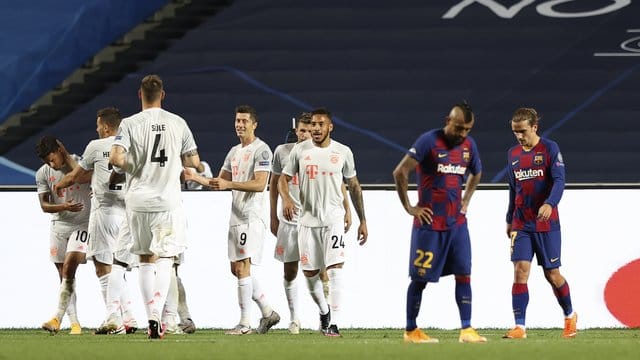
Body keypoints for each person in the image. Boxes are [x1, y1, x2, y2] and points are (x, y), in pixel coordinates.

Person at [109, 74, 204, 339]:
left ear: (139, 95)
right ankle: (156, 316)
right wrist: (191, 163)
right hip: (167, 202)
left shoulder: (129, 124)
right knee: (165, 258)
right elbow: (193, 160)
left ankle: (147, 313)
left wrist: (133, 165)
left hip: (138, 202)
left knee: (144, 259)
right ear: (163, 95)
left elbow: (117, 158)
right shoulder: (178, 123)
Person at [392, 102, 487, 344]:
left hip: (457, 224)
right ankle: (411, 331)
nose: (463, 134)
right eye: (458, 128)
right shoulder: (428, 141)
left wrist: (466, 198)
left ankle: (467, 330)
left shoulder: (469, 146)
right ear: (447, 121)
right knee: (420, 279)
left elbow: (477, 172)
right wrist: (410, 208)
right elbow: (400, 172)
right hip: (429, 225)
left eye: (467, 129)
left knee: (464, 274)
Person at [184, 104, 280, 335]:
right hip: (236, 216)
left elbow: (259, 184)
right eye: (237, 120)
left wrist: (229, 184)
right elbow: (219, 182)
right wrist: (195, 176)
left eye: (244, 121)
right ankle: (268, 313)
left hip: (251, 215)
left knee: (242, 266)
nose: (240, 124)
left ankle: (244, 323)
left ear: (254, 124)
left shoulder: (262, 150)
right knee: (236, 269)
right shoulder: (234, 151)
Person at [279, 107, 368, 337]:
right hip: (306, 221)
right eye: (314, 125)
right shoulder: (299, 150)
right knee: (309, 274)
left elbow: (353, 186)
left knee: (336, 269)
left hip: (333, 220)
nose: (316, 129)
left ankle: (334, 324)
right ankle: (324, 310)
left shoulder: (343, 152)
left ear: (330, 127)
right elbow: (283, 179)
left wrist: (362, 220)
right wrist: (287, 198)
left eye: (321, 125)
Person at [54, 107, 139, 335]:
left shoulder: (96, 146)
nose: (96, 128)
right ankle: (129, 317)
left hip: (104, 212)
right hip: (128, 212)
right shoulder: (131, 145)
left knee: (103, 267)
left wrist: (61, 184)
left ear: (106, 127)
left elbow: (75, 174)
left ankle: (114, 320)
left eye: (98, 125)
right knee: (118, 266)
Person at [503, 107, 577, 339]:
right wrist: (508, 218)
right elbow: (513, 188)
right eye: (515, 132)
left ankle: (570, 315)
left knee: (552, 274)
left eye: (523, 131)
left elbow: (559, 180)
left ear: (535, 127)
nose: (519, 136)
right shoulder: (512, 154)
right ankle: (520, 327)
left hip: (546, 223)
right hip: (521, 223)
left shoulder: (550, 148)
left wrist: (550, 203)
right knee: (520, 270)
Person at [36, 136, 92, 335]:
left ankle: (58, 318)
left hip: (82, 224)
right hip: (59, 226)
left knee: (69, 268)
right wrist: (63, 206)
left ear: (60, 151)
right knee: (64, 276)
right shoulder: (42, 174)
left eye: (52, 159)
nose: (51, 164)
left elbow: (94, 178)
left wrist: (68, 158)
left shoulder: (81, 164)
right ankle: (74, 322)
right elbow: (44, 205)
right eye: (47, 162)